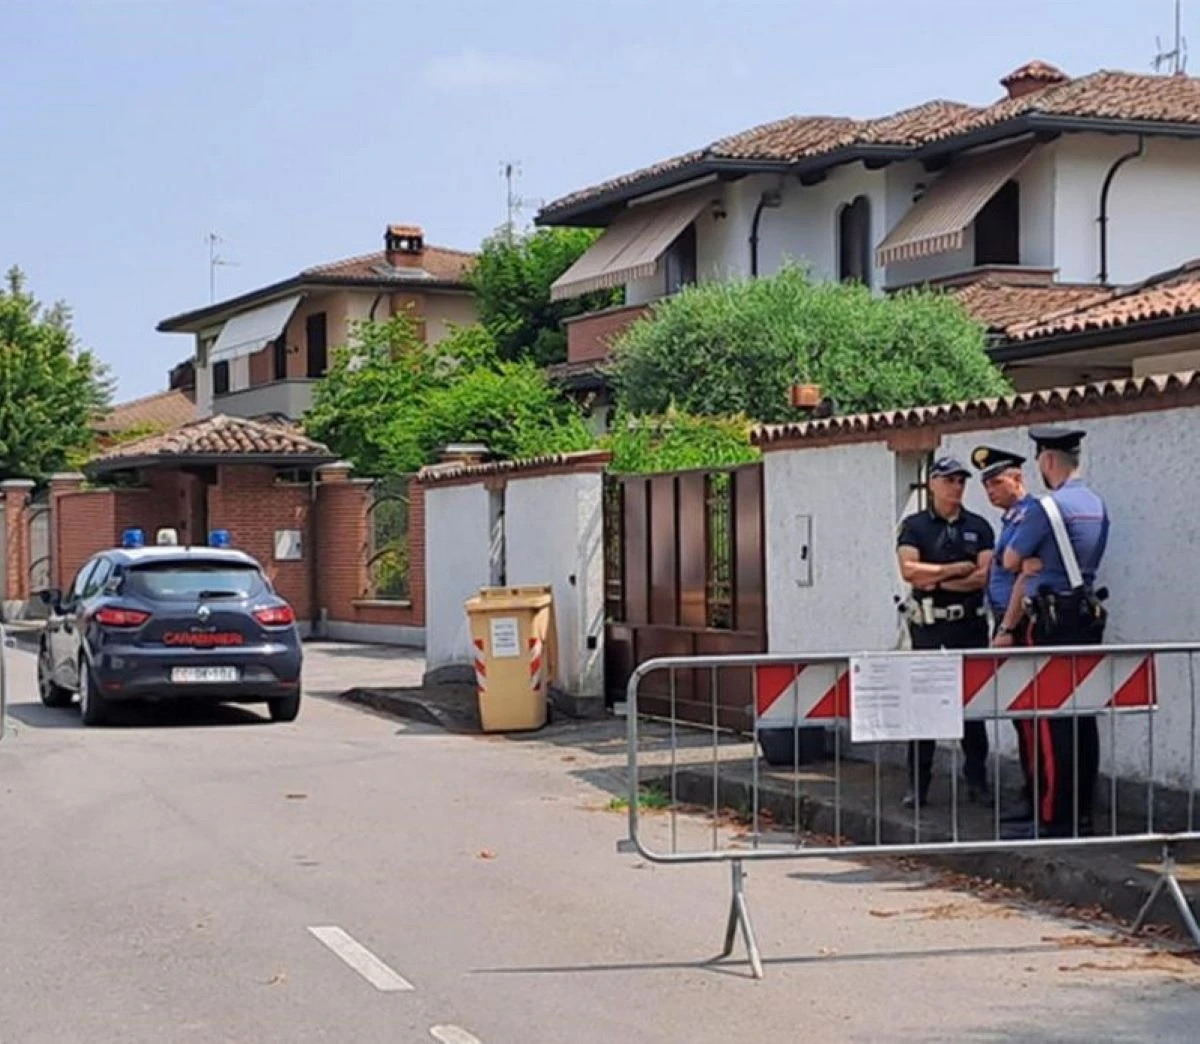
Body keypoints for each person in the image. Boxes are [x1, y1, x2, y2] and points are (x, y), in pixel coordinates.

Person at [1003, 425, 1110, 838]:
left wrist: (1032, 563)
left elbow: (1012, 559)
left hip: (1052, 618)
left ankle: (1053, 816)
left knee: (1051, 722)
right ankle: (1083, 811)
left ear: (1047, 461)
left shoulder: (1046, 508)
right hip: (1087, 615)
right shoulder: (1096, 505)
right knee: (1084, 717)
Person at [896, 455, 994, 809]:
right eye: (950, 480)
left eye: (961, 481)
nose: (956, 486)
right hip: (929, 627)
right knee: (923, 708)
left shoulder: (979, 526)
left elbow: (984, 575)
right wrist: (953, 570)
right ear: (933, 483)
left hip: (968, 625)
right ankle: (917, 786)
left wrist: (936, 576)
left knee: (973, 708)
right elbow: (909, 571)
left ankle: (978, 782)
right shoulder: (915, 526)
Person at [972, 444, 1037, 821]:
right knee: (1020, 714)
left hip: (1019, 624)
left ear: (1018, 478)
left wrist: (1008, 626)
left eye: (996, 482)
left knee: (1029, 716)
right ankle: (1031, 794)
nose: (991, 491)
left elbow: (1023, 573)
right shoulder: (1011, 519)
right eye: (987, 485)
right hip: (1003, 621)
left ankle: (1036, 796)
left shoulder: (1029, 516)